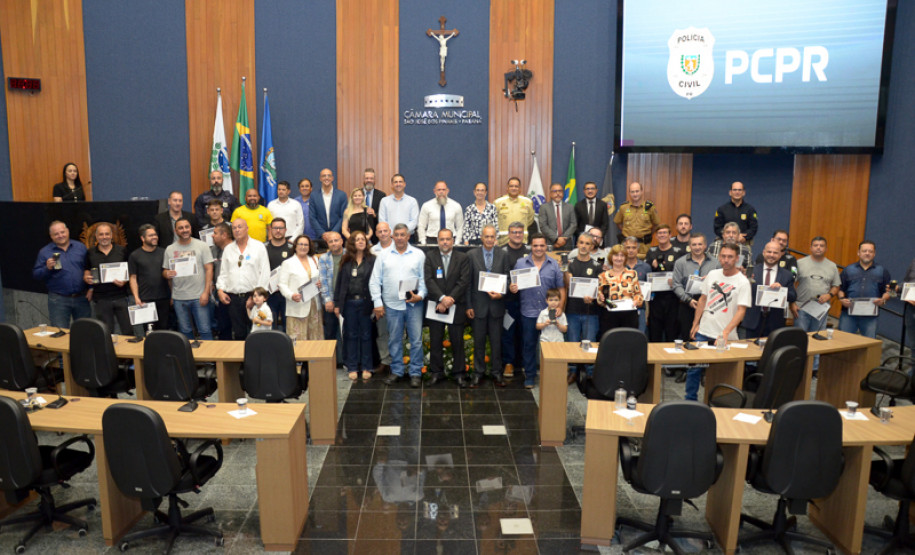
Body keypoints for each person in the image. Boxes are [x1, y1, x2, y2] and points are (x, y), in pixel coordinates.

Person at [686, 242, 752, 401]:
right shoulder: (712, 275)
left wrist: (725, 332)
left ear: (737, 258)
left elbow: (741, 311)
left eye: (730, 257)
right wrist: (696, 323)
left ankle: (720, 403)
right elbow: (702, 300)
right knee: (693, 369)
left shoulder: (743, 282)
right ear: (719, 257)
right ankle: (690, 401)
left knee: (724, 373)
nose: (726, 260)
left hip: (726, 337)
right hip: (704, 332)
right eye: (723, 256)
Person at [370, 223, 427, 388]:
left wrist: (421, 295)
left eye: (403, 235)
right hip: (392, 305)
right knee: (394, 339)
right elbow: (374, 281)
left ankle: (416, 373)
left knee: (416, 340)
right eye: (397, 235)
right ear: (392, 236)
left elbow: (424, 280)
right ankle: (397, 371)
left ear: (409, 236)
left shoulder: (418, 254)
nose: (400, 238)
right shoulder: (383, 255)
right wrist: (378, 302)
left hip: (414, 305)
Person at [509, 233, 565, 389]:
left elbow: (561, 287)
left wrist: (561, 306)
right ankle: (530, 376)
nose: (539, 248)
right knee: (529, 345)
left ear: (546, 246)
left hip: (550, 312)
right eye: (535, 245)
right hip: (529, 312)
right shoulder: (520, 263)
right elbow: (513, 285)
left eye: (542, 245)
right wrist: (512, 287)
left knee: (551, 345)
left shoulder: (554, 264)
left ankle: (552, 376)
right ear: (530, 246)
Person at [423, 228, 470, 387]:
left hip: (456, 305)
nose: (445, 242)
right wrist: (442, 299)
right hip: (436, 305)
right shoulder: (430, 256)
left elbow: (464, 281)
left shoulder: (462, 258)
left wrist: (450, 299)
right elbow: (428, 280)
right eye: (442, 239)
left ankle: (459, 374)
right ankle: (437, 373)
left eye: (448, 239)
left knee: (457, 341)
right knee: (436, 340)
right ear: (437, 241)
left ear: (453, 240)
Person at [466, 225, 510, 386]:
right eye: (487, 236)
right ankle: (478, 373)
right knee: (478, 343)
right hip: (478, 307)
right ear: (481, 237)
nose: (490, 239)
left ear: (495, 238)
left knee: (496, 342)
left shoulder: (503, 255)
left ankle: (497, 372)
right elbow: (468, 283)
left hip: (497, 306)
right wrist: (469, 306)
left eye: (492, 236)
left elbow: (508, 279)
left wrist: (501, 293)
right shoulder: (471, 255)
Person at [216, 218, 270, 340]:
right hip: (233, 299)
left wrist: (255, 297)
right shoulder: (228, 249)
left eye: (240, 227)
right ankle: (242, 359)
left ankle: (256, 359)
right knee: (239, 334)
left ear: (247, 228)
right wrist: (220, 290)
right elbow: (224, 273)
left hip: (254, 297)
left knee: (257, 334)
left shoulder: (259, 247)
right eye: (234, 228)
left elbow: (265, 274)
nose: (237, 230)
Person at [162, 217, 214, 341]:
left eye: (187, 227)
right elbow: (165, 271)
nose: (184, 230)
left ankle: (210, 360)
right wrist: (166, 273)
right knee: (185, 332)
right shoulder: (170, 249)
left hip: (199, 296)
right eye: (181, 228)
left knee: (205, 330)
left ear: (190, 228)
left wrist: (206, 292)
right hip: (179, 298)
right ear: (176, 231)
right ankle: (189, 359)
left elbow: (209, 269)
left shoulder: (202, 246)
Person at [334, 231, 376, 380]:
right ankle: (352, 366)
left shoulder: (373, 260)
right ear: (352, 243)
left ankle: (366, 367)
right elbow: (339, 284)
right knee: (350, 335)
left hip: (366, 302)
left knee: (366, 335)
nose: (360, 241)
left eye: (362, 239)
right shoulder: (345, 261)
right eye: (357, 239)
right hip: (349, 303)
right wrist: (337, 304)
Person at [33, 221, 90, 328]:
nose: (60, 235)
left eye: (62, 232)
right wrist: (47, 268)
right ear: (51, 236)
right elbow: (36, 274)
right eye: (56, 234)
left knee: (85, 330)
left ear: (68, 231)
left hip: (81, 298)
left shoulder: (81, 247)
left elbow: (89, 268)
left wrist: (91, 288)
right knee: (60, 333)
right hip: (58, 300)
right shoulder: (45, 252)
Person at [564, 233, 602, 382]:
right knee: (572, 342)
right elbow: (568, 285)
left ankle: (590, 372)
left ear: (592, 246)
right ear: (577, 245)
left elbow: (600, 288)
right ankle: (573, 371)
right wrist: (566, 271)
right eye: (581, 243)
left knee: (590, 341)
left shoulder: (597, 266)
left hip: (590, 311)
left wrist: (593, 297)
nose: (584, 246)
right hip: (572, 310)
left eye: (587, 243)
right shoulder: (570, 264)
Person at [742, 241, 798, 338]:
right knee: (751, 352)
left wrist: (782, 290)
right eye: (769, 252)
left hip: (775, 322)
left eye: (775, 253)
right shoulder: (751, 271)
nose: (771, 255)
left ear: (780, 255)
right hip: (753, 321)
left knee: (772, 352)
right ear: (763, 253)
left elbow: (793, 296)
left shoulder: (786, 275)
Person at [85, 222, 132, 335]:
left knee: (128, 331)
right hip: (101, 298)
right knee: (106, 333)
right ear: (96, 236)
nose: (104, 237)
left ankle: (128, 352)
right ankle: (108, 353)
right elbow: (86, 269)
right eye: (101, 234)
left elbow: (130, 270)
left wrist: (125, 280)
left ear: (111, 236)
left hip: (121, 297)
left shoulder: (122, 250)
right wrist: (87, 278)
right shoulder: (90, 252)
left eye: (107, 234)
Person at [837, 240, 891, 338]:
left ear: (874, 254)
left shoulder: (882, 271)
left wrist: (883, 300)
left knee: (869, 345)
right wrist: (841, 299)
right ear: (859, 253)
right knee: (843, 342)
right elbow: (840, 289)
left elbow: (889, 291)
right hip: (848, 314)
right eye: (864, 251)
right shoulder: (848, 270)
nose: (867, 253)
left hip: (870, 316)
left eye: (870, 251)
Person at [672, 233, 719, 341]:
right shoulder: (680, 263)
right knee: (687, 338)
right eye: (694, 245)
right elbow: (676, 285)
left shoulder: (715, 263)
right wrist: (688, 300)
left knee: (707, 340)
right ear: (689, 246)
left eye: (700, 244)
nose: (697, 247)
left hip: (708, 307)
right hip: (687, 305)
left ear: (705, 245)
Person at [279, 234, 324, 342]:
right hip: (297, 305)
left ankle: (313, 360)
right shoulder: (288, 263)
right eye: (300, 244)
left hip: (314, 305)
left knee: (314, 341)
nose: (303, 247)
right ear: (295, 246)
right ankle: (298, 360)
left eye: (306, 245)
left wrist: (320, 284)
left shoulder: (314, 260)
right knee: (298, 343)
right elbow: (282, 284)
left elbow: (320, 278)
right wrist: (291, 295)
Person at [128, 224, 170, 334]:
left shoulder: (164, 252)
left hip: (163, 298)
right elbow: (132, 278)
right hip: (145, 300)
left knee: (164, 331)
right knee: (149, 332)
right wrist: (136, 298)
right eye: (151, 235)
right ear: (142, 238)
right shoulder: (135, 255)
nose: (154, 237)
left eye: (155, 235)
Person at [501, 221, 530, 378]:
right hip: (509, 300)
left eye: (520, 232)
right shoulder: (502, 252)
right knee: (508, 332)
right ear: (508, 234)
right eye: (514, 232)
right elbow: (499, 275)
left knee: (527, 333)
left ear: (523, 233)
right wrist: (508, 286)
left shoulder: (531, 251)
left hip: (528, 301)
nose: (517, 235)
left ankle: (526, 364)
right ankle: (508, 363)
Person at [646, 224, 684, 342]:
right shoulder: (651, 251)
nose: (662, 235)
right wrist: (652, 266)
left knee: (671, 331)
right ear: (656, 236)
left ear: (670, 235)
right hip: (655, 299)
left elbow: (683, 273)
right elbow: (647, 273)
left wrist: (676, 281)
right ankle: (655, 359)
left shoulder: (678, 252)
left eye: (664, 233)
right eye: (659, 233)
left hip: (672, 298)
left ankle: (670, 360)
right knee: (655, 333)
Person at [795, 236, 840, 335]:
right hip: (801, 307)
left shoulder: (832, 266)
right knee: (799, 338)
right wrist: (792, 304)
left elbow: (836, 286)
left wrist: (829, 295)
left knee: (818, 339)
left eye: (821, 245)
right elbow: (791, 283)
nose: (818, 248)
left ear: (826, 249)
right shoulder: (799, 263)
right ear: (811, 248)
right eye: (815, 245)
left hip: (821, 309)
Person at [597, 244, 643, 336]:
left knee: (628, 345)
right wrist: (601, 298)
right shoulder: (603, 276)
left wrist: (636, 301)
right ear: (611, 257)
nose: (619, 258)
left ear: (625, 258)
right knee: (611, 345)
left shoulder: (632, 274)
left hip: (629, 315)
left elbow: (639, 295)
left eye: (622, 255)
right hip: (610, 316)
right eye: (616, 255)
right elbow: (599, 298)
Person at [371, 222, 395, 372]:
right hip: (380, 297)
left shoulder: (399, 247)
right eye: (380, 231)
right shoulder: (372, 251)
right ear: (376, 233)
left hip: (398, 296)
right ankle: (385, 360)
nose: (383, 233)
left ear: (390, 231)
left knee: (400, 330)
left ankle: (401, 359)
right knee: (382, 331)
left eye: (385, 230)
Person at [318, 231, 345, 354]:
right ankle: (331, 362)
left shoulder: (349, 255)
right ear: (327, 244)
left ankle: (348, 362)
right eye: (330, 241)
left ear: (341, 241)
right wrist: (327, 300)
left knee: (349, 333)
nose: (334, 243)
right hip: (330, 302)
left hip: (346, 302)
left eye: (336, 240)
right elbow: (322, 281)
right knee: (330, 333)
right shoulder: (324, 258)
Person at [264, 218, 294, 331]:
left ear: (285, 230)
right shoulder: (263, 248)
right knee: (271, 328)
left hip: (287, 294)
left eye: (280, 228)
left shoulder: (292, 249)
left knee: (289, 328)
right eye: (275, 228)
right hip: (269, 294)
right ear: (270, 230)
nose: (278, 231)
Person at [614, 182, 658, 249]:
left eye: (637, 191)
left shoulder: (650, 208)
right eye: (632, 192)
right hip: (627, 245)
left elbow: (656, 224)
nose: (635, 194)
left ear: (642, 191)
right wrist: (626, 231)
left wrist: (648, 234)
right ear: (629, 193)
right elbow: (618, 222)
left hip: (643, 246)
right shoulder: (623, 207)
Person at [209, 222, 233, 340]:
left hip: (235, 294)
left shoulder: (236, 250)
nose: (212, 236)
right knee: (223, 328)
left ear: (224, 235)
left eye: (215, 233)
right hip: (219, 293)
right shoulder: (213, 250)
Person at [310, 168, 348, 243]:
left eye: (329, 176)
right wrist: (322, 233)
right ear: (320, 178)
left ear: (332, 178)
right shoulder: (314, 195)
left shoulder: (342, 195)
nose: (326, 178)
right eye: (324, 176)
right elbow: (312, 217)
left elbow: (344, 216)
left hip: (338, 236)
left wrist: (334, 232)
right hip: (321, 238)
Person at [714, 181, 757, 245]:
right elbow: (717, 228)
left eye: (740, 190)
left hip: (743, 242)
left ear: (744, 193)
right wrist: (729, 236)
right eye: (735, 190)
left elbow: (753, 228)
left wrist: (744, 237)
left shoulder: (750, 209)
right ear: (730, 192)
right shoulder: (721, 209)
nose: (737, 192)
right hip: (725, 243)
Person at [623, 236, 651, 332]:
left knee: (640, 337)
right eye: (628, 247)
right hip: (622, 308)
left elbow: (649, 291)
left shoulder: (646, 267)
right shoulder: (619, 266)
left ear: (638, 249)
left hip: (640, 308)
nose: (631, 250)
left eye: (633, 248)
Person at [495, 176, 534, 246]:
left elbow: (530, 220)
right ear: (507, 188)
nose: (514, 188)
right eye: (511, 186)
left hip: (522, 240)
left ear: (520, 189)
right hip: (503, 241)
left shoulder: (527, 202)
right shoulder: (498, 202)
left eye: (516, 186)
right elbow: (494, 221)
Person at [378, 174, 420, 239]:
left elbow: (414, 221)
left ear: (404, 184)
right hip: (390, 237)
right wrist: (393, 233)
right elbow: (382, 220)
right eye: (395, 182)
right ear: (392, 185)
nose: (398, 184)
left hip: (408, 238)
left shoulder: (412, 201)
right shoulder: (384, 201)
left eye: (400, 182)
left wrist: (402, 233)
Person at [539, 183, 577, 250]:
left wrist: (563, 239)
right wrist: (556, 239)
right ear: (550, 194)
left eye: (560, 191)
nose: (558, 193)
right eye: (555, 191)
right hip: (550, 243)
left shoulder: (570, 207)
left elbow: (573, 224)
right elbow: (543, 226)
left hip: (566, 243)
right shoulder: (544, 207)